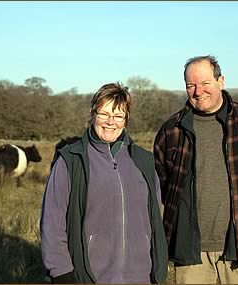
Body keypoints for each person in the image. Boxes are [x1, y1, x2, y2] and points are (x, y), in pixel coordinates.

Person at [153, 55, 238, 284]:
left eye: (205, 83)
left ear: (221, 81)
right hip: (190, 251)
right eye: (190, 85)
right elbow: (164, 184)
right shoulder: (171, 130)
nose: (198, 91)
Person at [40, 82, 168, 284]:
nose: (111, 122)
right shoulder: (71, 160)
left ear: (126, 120)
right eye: (104, 114)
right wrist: (61, 272)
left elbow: (153, 218)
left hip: (142, 277)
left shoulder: (144, 161)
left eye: (118, 116)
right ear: (92, 114)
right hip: (91, 277)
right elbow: (52, 223)